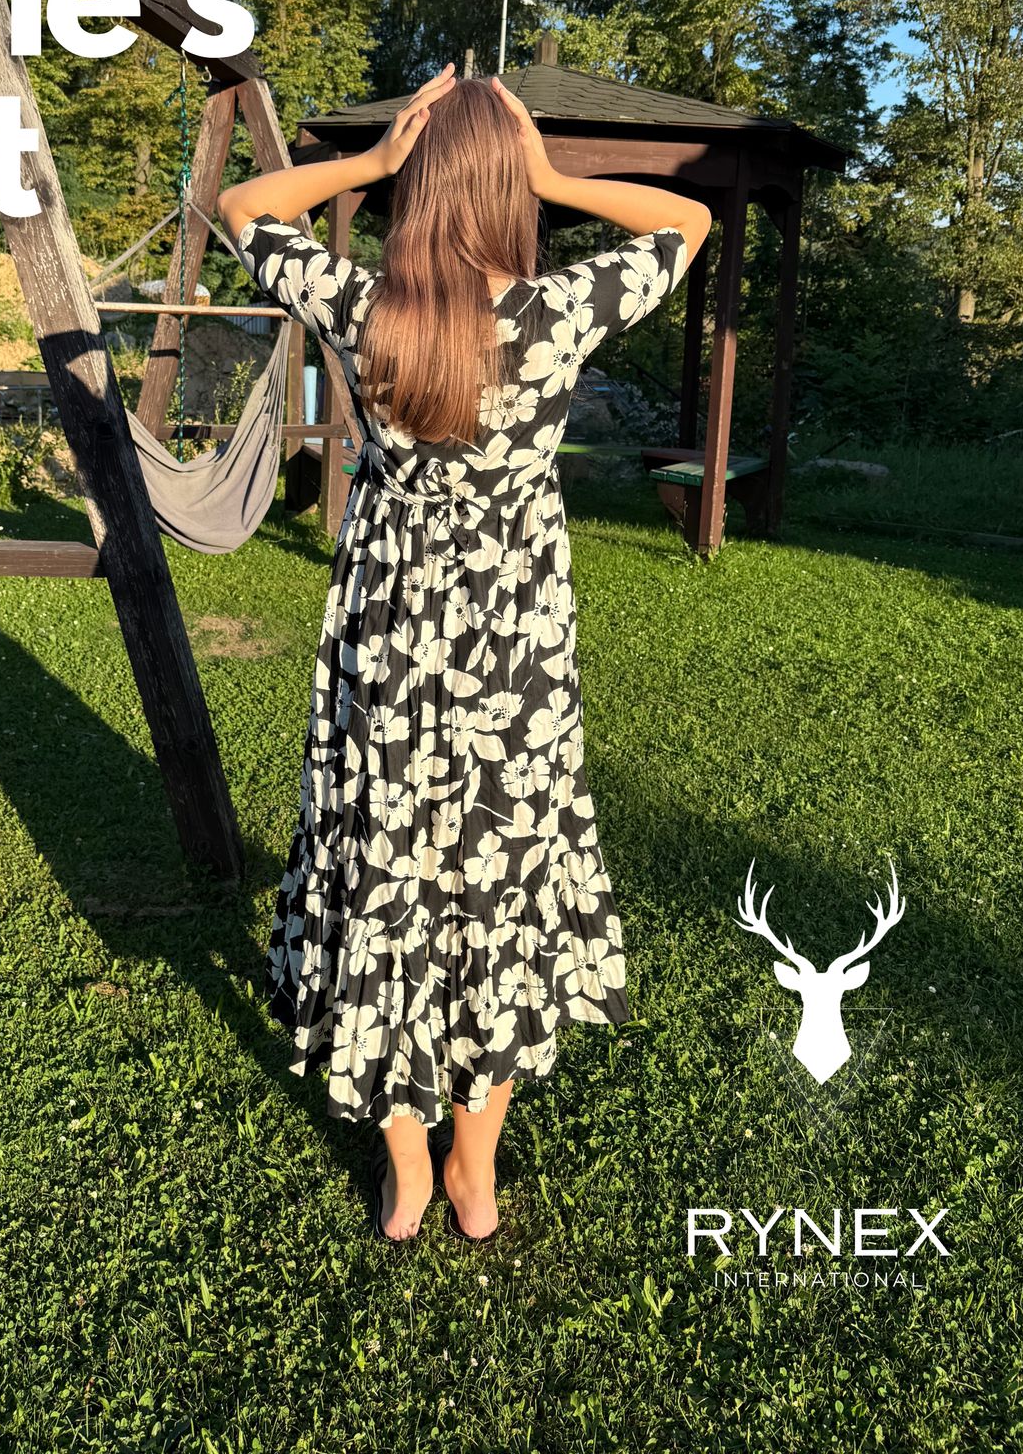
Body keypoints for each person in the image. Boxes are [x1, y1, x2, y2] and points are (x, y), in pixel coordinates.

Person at [218, 64, 712, 1242]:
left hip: (388, 637)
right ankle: (470, 1171)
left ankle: (404, 1166)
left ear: (424, 181)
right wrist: (548, 171)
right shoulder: (556, 311)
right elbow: (684, 222)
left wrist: (374, 161)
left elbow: (242, 209)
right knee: (500, 871)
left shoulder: (364, 307)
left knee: (385, 866)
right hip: (512, 649)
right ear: (503, 186)